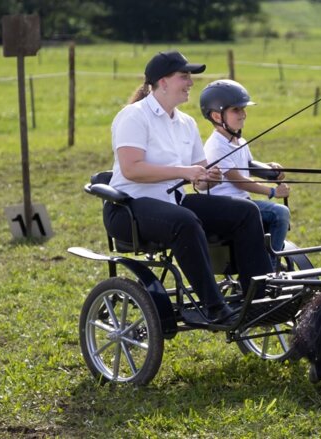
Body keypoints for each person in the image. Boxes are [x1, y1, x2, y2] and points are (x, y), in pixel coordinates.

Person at [103, 51, 273, 322]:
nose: (191, 83)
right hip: (130, 208)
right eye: (184, 77)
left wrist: (208, 176)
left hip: (173, 201)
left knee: (246, 211)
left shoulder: (186, 123)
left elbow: (200, 172)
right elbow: (132, 169)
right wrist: (185, 171)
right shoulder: (134, 116)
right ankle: (215, 307)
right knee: (185, 221)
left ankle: (259, 296)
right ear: (163, 82)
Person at [199, 79, 291, 261]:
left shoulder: (239, 140)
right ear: (217, 116)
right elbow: (238, 180)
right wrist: (272, 191)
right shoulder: (216, 146)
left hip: (243, 203)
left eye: (243, 109)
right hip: (225, 207)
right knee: (279, 213)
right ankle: (269, 264)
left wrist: (269, 168)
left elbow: (248, 165)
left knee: (276, 213)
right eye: (236, 110)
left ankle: (264, 255)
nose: (243, 114)